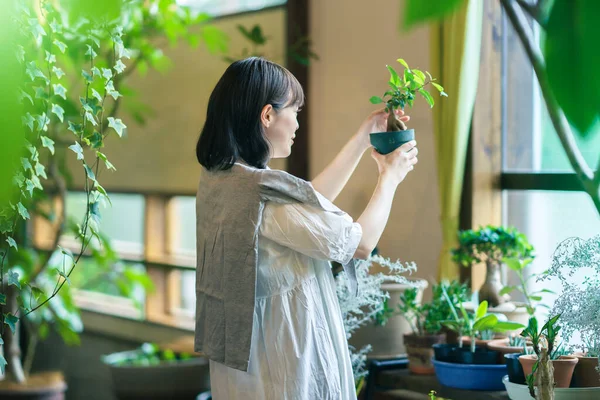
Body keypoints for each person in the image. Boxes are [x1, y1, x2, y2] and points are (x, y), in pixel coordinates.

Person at [194, 57, 418, 400]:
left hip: (247, 359)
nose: (298, 124)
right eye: (294, 111)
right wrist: (390, 177)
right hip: (285, 359)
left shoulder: (224, 179)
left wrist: (362, 139)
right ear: (267, 115)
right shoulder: (262, 196)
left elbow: (306, 208)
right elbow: (358, 244)